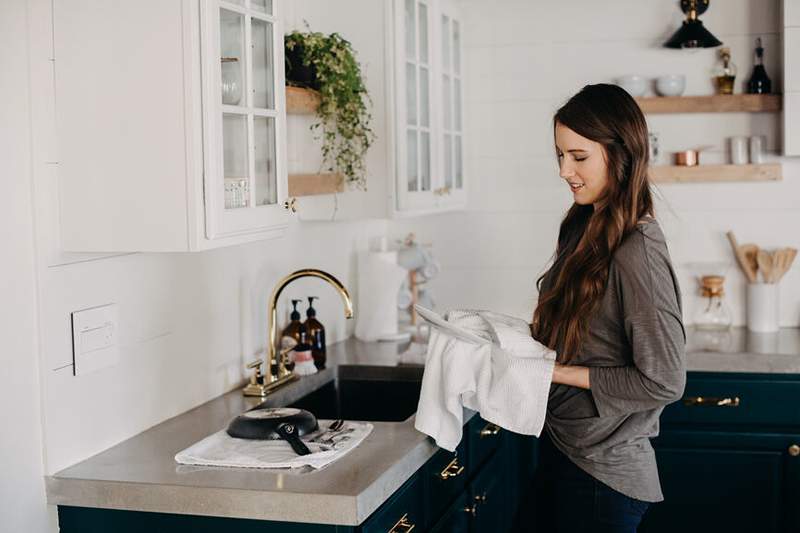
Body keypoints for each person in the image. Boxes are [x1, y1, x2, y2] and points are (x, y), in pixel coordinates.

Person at [520, 84, 687, 533]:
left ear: (621, 154)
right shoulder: (586, 224)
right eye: (559, 155)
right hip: (565, 450)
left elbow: (665, 380)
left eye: (578, 156)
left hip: (603, 475)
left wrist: (554, 372)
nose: (563, 171)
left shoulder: (639, 251)